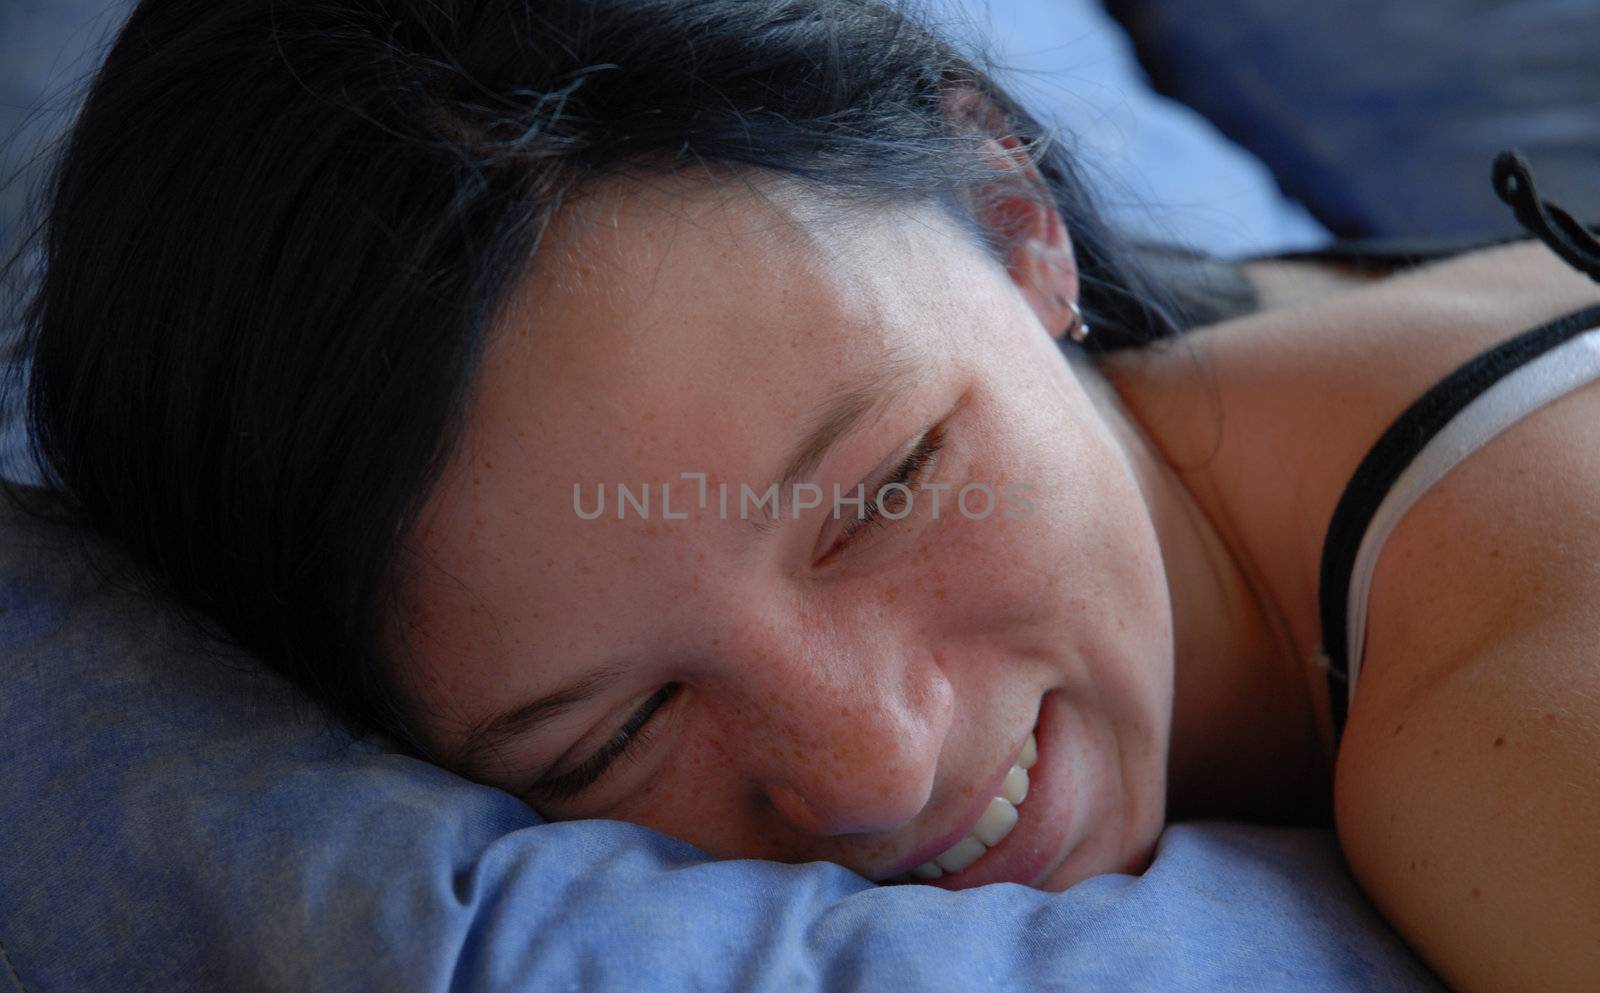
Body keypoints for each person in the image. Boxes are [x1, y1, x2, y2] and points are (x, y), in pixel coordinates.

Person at [3, 1, 1597, 990]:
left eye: (883, 493)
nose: (871, 767)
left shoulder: (1510, 704)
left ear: (1017, 219)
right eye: (607, 738)